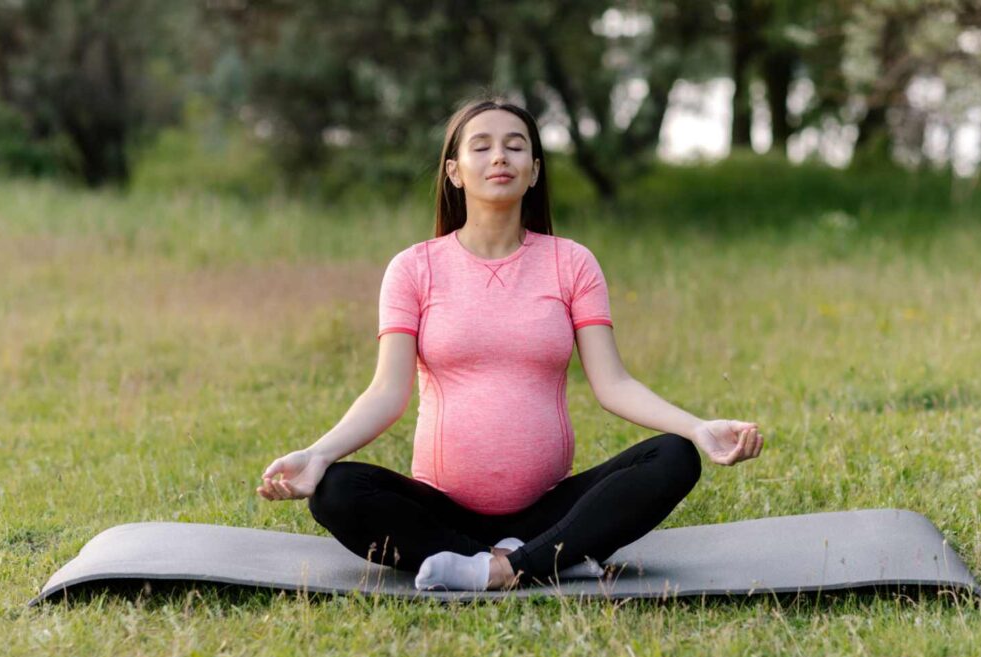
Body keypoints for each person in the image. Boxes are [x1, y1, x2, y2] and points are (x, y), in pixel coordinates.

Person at [256, 96, 764, 591]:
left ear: (535, 170)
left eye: (515, 146)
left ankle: (499, 566)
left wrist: (698, 428)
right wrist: (319, 454)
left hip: (549, 507)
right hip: (441, 507)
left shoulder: (572, 262)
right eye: (481, 146)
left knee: (674, 457)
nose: (500, 156)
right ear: (454, 171)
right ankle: (549, 558)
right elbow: (387, 392)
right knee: (336, 491)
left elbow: (613, 384)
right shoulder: (414, 268)